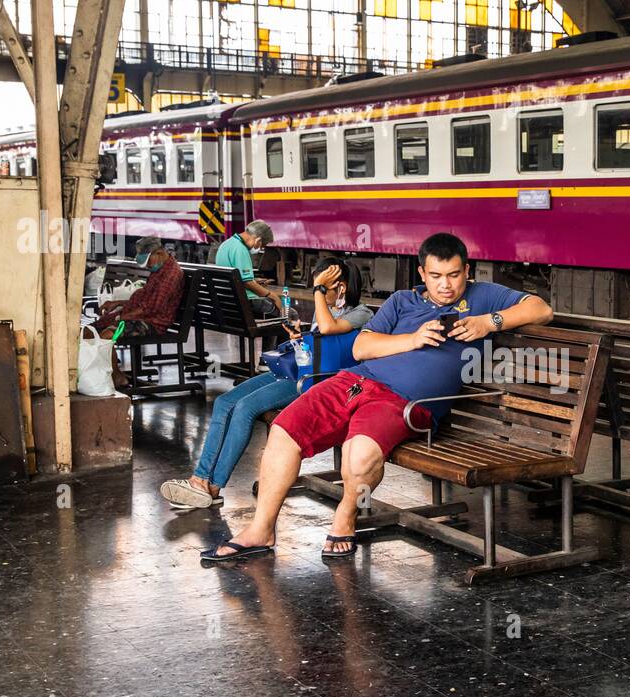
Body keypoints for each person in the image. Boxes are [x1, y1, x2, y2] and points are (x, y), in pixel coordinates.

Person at [201, 231, 553, 562]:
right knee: (284, 428)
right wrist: (413, 339)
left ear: (467, 271)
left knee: (358, 456)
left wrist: (489, 323)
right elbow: (361, 346)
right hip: (354, 382)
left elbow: (541, 309)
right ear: (422, 273)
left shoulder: (483, 296)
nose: (446, 285)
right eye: (436, 275)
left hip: (404, 402)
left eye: (454, 275)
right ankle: (261, 530)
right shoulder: (402, 301)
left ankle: (345, 517)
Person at [160, 256, 372, 509]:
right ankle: (200, 479)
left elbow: (327, 330)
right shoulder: (324, 306)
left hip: (317, 382)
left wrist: (318, 291)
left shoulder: (362, 313)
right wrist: (299, 335)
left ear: (341, 287)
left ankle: (213, 486)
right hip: (299, 369)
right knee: (224, 401)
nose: (316, 288)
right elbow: (319, 339)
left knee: (245, 408)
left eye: (322, 284)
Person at [87, 236, 185, 389]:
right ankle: (98, 373)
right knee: (89, 330)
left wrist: (122, 316)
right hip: (140, 317)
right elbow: (146, 301)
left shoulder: (171, 274)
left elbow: (152, 308)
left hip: (152, 324)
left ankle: (117, 376)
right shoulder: (160, 270)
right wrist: (118, 303)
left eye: (148, 262)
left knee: (107, 335)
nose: (147, 267)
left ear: (158, 253)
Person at [215, 219, 284, 319]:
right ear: (258, 240)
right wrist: (272, 296)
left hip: (226, 299)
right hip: (242, 302)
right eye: (262, 245)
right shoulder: (240, 249)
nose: (261, 249)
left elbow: (239, 278)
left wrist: (254, 281)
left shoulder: (226, 244)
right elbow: (247, 282)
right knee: (289, 313)